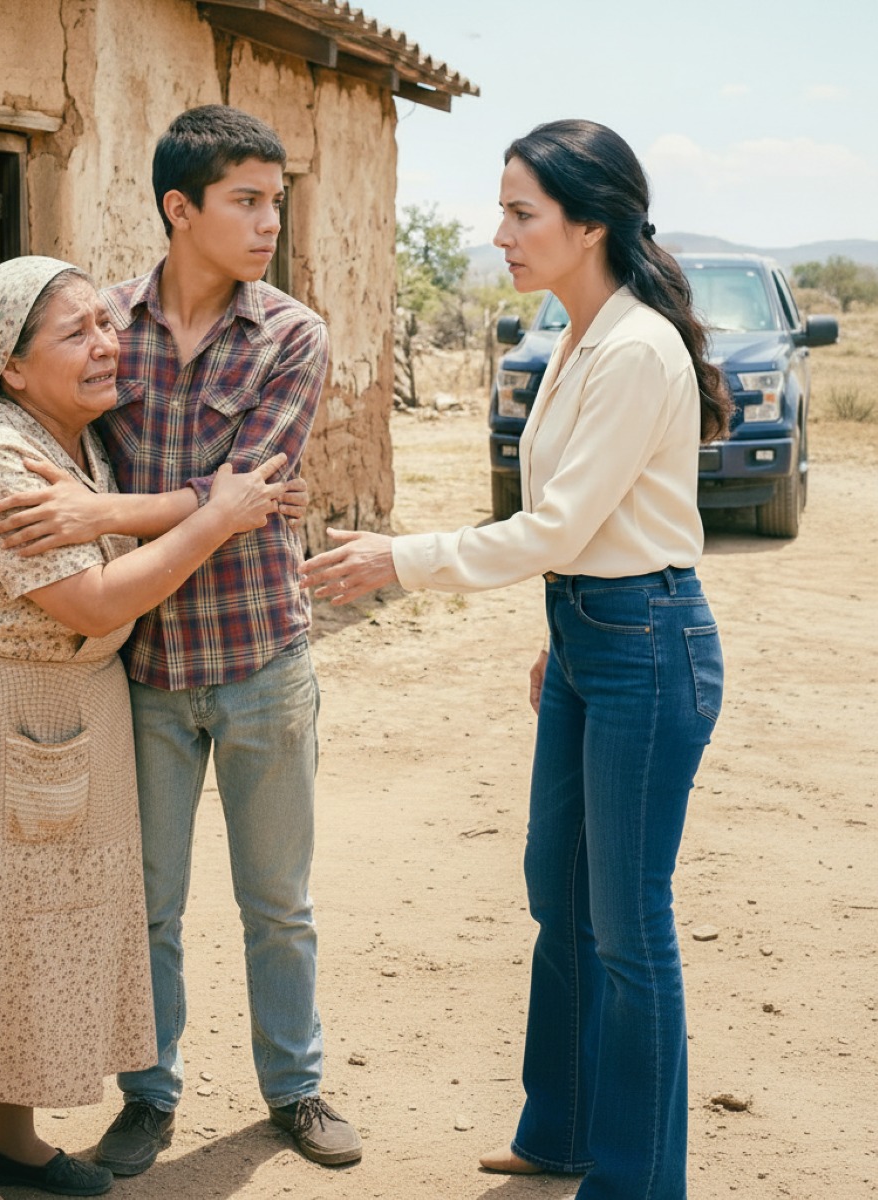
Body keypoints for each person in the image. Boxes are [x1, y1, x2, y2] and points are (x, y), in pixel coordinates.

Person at [0, 106, 363, 1172]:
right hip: (139, 671)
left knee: (276, 902)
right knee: (139, 903)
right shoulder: (98, 322)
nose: (269, 225)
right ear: (179, 208)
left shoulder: (292, 336)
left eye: (277, 203)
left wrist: (101, 515)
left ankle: (294, 1090)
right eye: (247, 201)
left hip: (259, 655)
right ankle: (148, 1096)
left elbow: (255, 490)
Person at [300, 120, 731, 1199]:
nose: (499, 233)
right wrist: (559, 634)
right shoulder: (578, 332)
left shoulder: (634, 347)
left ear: (589, 223)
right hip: (594, 635)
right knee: (561, 894)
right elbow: (576, 523)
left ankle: (638, 1183)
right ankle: (564, 1131)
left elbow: (559, 523)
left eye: (520, 212)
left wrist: (400, 560)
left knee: (630, 930)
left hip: (647, 643)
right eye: (503, 210)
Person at [0, 255, 291, 1200]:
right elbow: (89, 600)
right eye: (75, 334)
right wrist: (217, 521)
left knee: (29, 933)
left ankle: (14, 1137)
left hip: (44, 712)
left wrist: (213, 500)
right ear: (8, 365)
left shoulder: (76, 438)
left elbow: (114, 520)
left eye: (104, 324)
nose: (104, 345)